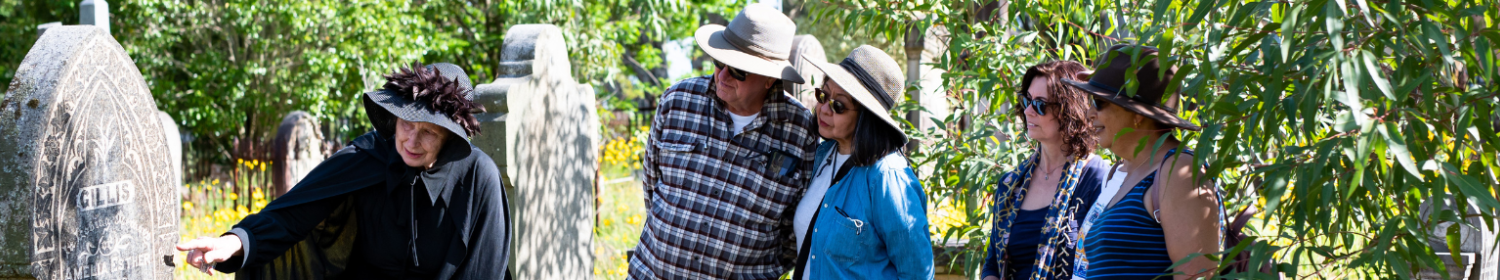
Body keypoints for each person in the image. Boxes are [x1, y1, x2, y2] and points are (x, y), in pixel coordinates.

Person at [176, 63, 512, 280]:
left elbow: (484, 270)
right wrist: (237, 241)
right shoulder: (368, 155)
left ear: (448, 140)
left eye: (429, 133)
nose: (411, 140)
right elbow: (293, 214)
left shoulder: (477, 179)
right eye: (407, 124)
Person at [628, 4, 819, 279]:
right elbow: (652, 188)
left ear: (769, 79)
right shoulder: (678, 102)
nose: (723, 75)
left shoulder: (801, 132)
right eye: (719, 62)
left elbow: (796, 228)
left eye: (739, 70)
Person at [1065, 45, 1225, 279]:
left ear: (1138, 113)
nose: (1089, 113)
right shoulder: (1123, 172)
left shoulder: (1179, 171)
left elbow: (1197, 274)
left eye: (1099, 102)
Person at [791, 45, 934, 280]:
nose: (824, 109)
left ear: (866, 117)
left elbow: (917, 273)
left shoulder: (887, 177)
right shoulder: (823, 154)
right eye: (823, 96)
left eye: (839, 105)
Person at [981, 61, 1110, 280]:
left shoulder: (1098, 179)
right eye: (1027, 101)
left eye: (1040, 104)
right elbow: (992, 263)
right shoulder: (1011, 184)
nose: (1028, 111)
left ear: (1069, 109)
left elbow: (1104, 265)